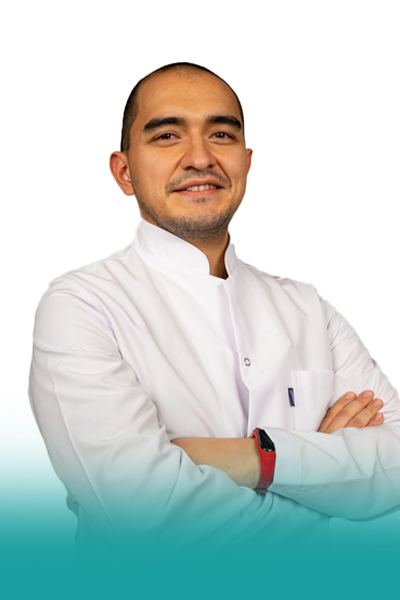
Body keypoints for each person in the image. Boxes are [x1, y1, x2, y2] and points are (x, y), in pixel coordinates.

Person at [28, 62, 400, 561]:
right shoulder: (82, 305)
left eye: (221, 134)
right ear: (123, 172)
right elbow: (142, 515)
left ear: (246, 161)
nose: (200, 157)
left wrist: (258, 460)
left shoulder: (310, 308)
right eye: (166, 136)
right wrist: (320, 480)